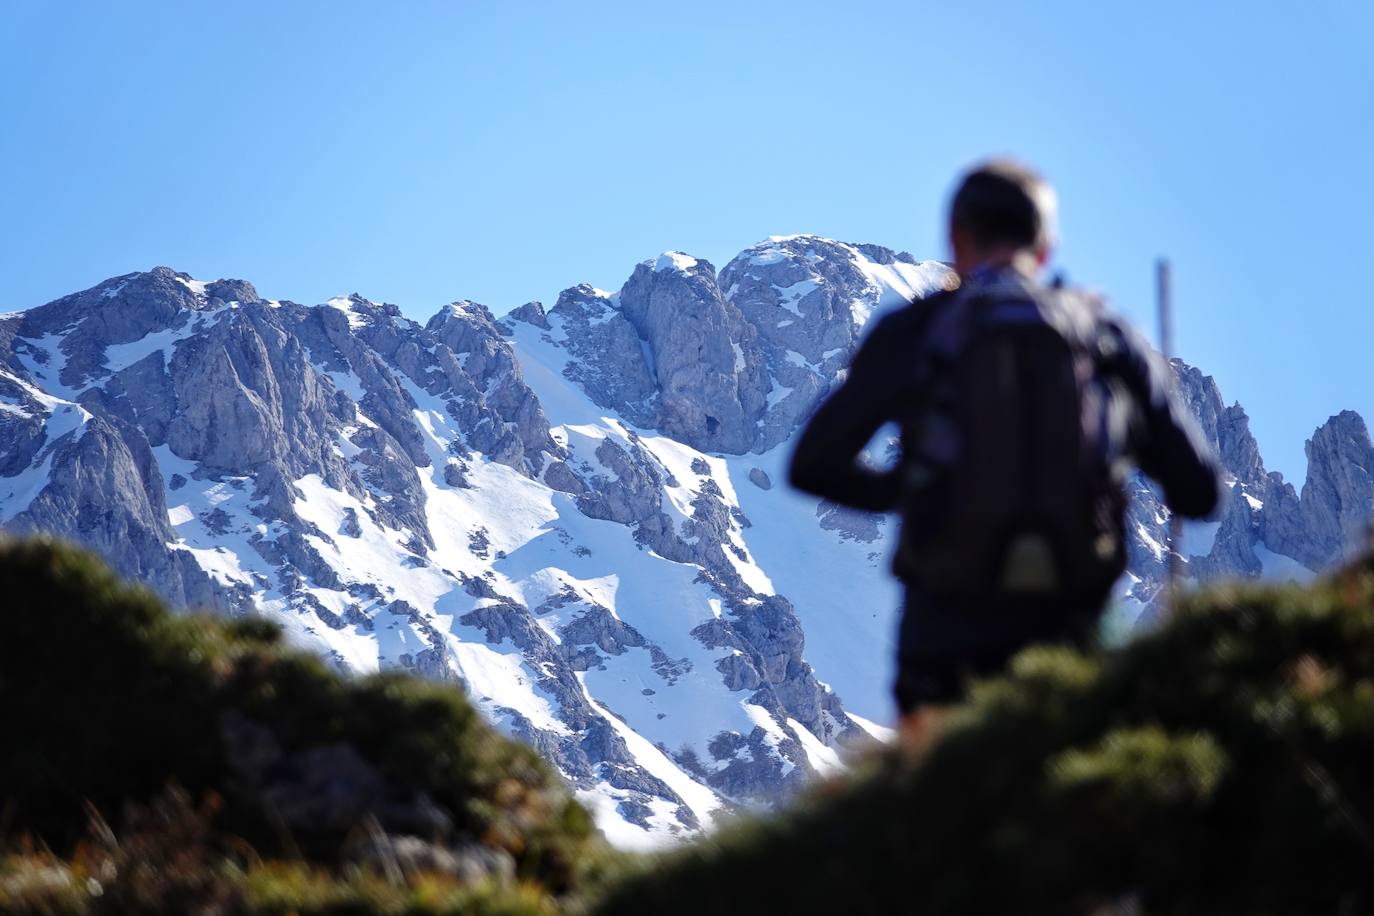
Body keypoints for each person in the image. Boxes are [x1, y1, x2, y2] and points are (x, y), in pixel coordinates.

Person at [788, 159, 1221, 747]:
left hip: (945, 635)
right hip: (1074, 629)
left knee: (945, 818)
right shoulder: (1104, 334)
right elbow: (1199, 490)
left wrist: (909, 488)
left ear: (957, 239)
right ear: (1045, 247)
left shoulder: (917, 330)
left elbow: (812, 464)